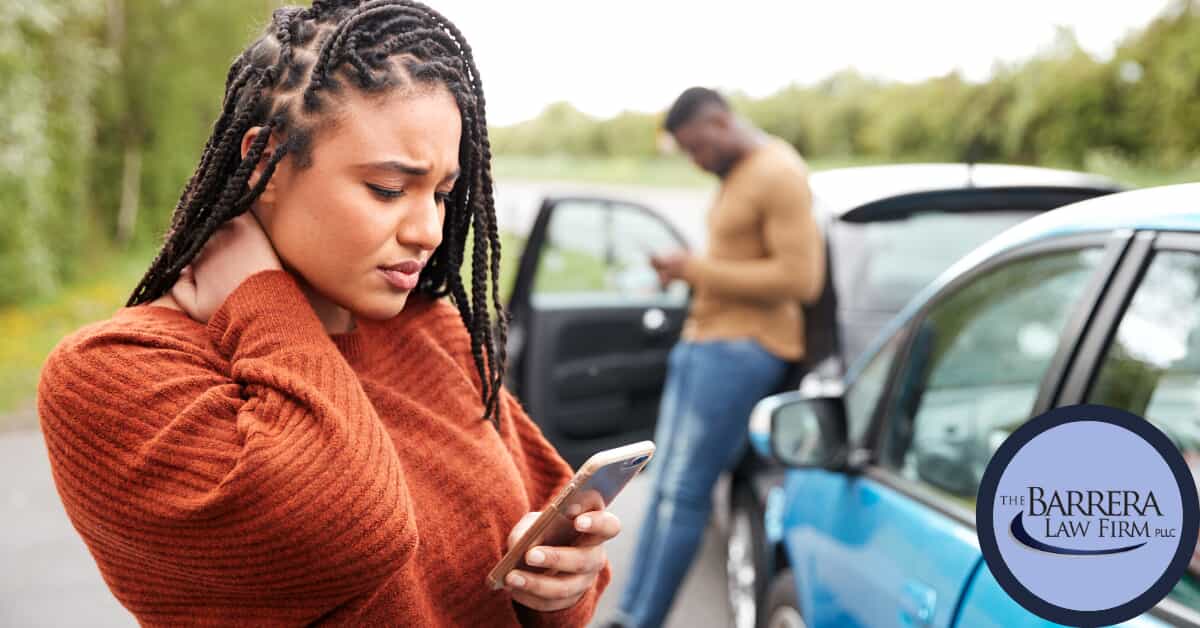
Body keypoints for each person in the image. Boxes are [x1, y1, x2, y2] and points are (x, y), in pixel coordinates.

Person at [35, 2, 617, 625]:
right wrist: (261, 297)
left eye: (443, 194)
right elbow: (350, 534)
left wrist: (560, 590)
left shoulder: (433, 331)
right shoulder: (112, 374)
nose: (428, 231)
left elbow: (549, 556)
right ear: (266, 161)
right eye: (388, 189)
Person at [608, 87, 825, 628]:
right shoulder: (739, 175)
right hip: (704, 343)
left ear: (721, 122)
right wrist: (690, 269)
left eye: (697, 147)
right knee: (660, 491)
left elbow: (802, 279)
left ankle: (641, 621)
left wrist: (695, 270)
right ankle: (626, 613)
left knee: (684, 494)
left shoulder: (778, 172)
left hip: (742, 350)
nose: (694, 160)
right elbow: (740, 260)